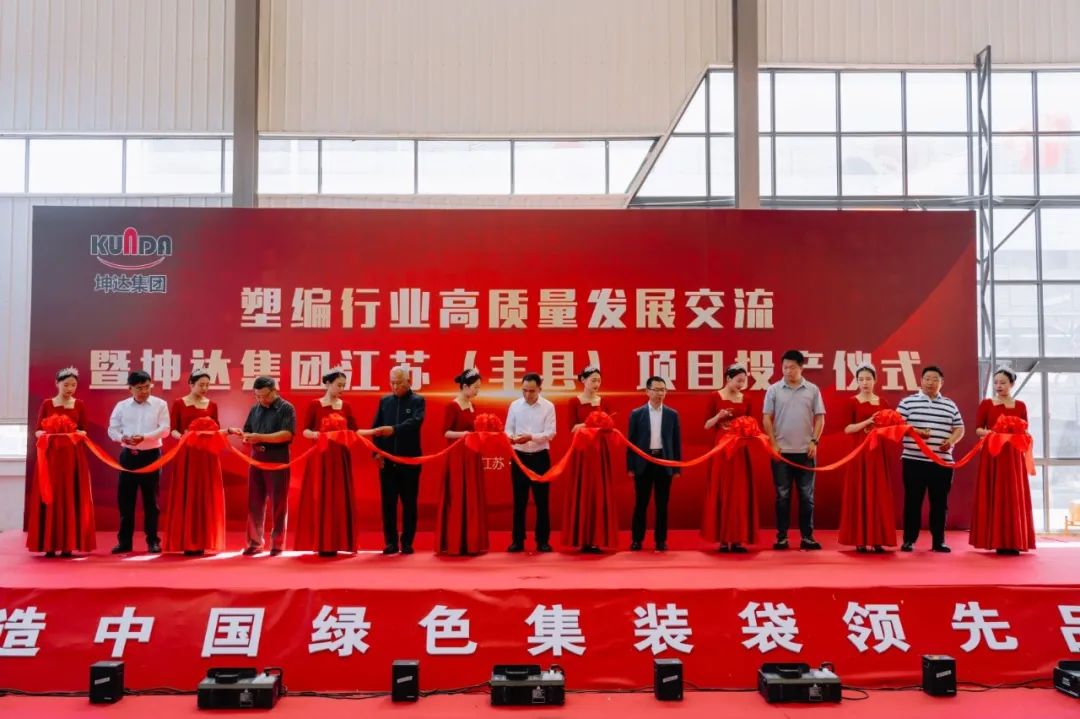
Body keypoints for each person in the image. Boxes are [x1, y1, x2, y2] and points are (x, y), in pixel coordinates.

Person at [295, 368, 365, 557]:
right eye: (339, 385)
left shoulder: (346, 406)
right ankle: (323, 543)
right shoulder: (315, 405)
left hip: (340, 457)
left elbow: (355, 431)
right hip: (321, 457)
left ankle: (340, 541)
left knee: (339, 498)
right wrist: (317, 435)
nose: (342, 389)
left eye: (343, 385)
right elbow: (305, 431)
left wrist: (375, 432)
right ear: (327, 384)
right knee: (321, 496)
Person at [27, 367, 95, 557]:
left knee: (70, 494)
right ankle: (49, 544)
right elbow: (37, 430)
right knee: (51, 494)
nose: (70, 388)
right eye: (66, 385)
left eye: (73, 385)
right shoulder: (47, 404)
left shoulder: (79, 405)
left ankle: (68, 545)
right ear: (57, 383)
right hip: (51, 458)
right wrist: (44, 434)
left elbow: (83, 429)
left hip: (73, 458)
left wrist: (78, 433)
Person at [897, 365, 965, 553]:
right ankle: (909, 540)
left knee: (940, 503)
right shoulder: (907, 402)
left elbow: (960, 428)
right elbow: (897, 426)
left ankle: (939, 542)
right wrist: (918, 432)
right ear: (921, 381)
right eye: (927, 378)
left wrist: (951, 441)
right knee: (913, 501)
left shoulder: (950, 405)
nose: (930, 382)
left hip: (942, 462)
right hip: (914, 460)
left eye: (935, 379)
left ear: (941, 383)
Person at [763, 350, 826, 551]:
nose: (787, 371)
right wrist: (773, 443)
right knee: (782, 496)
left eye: (791, 367)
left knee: (807, 497)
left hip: (806, 452)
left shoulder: (812, 390)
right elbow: (766, 417)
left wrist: (814, 441)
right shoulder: (774, 390)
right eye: (784, 367)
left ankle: (807, 537)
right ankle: (782, 537)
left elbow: (820, 417)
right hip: (781, 452)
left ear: (801, 367)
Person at [228, 376, 296, 556]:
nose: (261, 399)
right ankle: (254, 542)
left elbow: (287, 434)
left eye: (264, 396)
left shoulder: (286, 408)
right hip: (256, 458)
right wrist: (246, 437)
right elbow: (248, 430)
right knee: (255, 502)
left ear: (274, 391)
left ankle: (278, 544)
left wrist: (260, 437)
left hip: (277, 458)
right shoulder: (255, 409)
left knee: (278, 503)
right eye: (257, 396)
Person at [970, 368, 1035, 555]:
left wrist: (1021, 435)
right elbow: (978, 429)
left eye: (1003, 382)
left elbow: (1025, 430)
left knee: (1013, 495)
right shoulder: (986, 404)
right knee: (995, 492)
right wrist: (994, 433)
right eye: (996, 382)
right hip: (993, 454)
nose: (999, 386)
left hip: (1014, 457)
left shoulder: (1020, 405)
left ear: (1012, 384)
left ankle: (1014, 540)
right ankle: (996, 540)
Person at [162, 369, 225, 555]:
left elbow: (216, 430)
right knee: (187, 493)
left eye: (207, 385)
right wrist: (184, 437)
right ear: (191, 384)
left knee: (205, 494)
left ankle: (204, 540)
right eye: (201, 385)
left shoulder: (212, 405)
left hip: (207, 456)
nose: (205, 388)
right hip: (187, 455)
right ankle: (187, 541)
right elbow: (173, 429)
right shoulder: (179, 403)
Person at [107, 370, 170, 554]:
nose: (144, 391)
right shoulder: (121, 406)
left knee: (151, 502)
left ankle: (153, 541)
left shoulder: (160, 404)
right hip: (128, 457)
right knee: (126, 502)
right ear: (130, 389)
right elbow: (112, 429)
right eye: (139, 388)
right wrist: (122, 438)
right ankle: (124, 542)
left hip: (151, 456)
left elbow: (165, 429)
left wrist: (144, 437)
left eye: (147, 387)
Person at [701, 363, 762, 553]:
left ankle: (738, 539)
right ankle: (722, 539)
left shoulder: (747, 399)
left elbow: (753, 424)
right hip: (721, 449)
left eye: (744, 381)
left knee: (739, 492)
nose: (741, 384)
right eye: (738, 381)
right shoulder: (714, 396)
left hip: (740, 450)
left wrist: (747, 429)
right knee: (722, 489)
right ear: (728, 379)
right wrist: (718, 417)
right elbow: (706, 425)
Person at [837, 363, 897, 553]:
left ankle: (878, 539)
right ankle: (860, 539)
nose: (865, 382)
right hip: (859, 453)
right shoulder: (852, 402)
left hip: (878, 454)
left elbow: (890, 428)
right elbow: (848, 429)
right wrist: (868, 422)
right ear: (856, 381)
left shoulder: (882, 402)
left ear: (875, 380)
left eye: (868, 379)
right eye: (861, 379)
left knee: (878, 493)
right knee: (860, 492)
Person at [562, 366, 618, 553]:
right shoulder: (574, 401)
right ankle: (582, 538)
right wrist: (590, 423)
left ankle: (597, 539)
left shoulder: (604, 402)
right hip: (582, 454)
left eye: (599, 380)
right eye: (593, 380)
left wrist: (604, 425)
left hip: (600, 453)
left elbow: (610, 428)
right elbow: (572, 428)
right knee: (583, 491)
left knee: (598, 492)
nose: (596, 384)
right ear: (583, 380)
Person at [372, 366, 426, 555]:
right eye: (392, 382)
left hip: (409, 462)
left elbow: (415, 423)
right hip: (387, 463)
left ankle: (408, 542)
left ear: (408, 382)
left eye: (399, 383)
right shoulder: (385, 401)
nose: (395, 386)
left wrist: (394, 429)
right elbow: (376, 429)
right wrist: (376, 453)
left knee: (409, 504)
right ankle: (391, 542)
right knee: (388, 504)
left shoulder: (418, 401)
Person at [436, 368, 489, 555]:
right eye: (475, 387)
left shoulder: (472, 405)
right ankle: (456, 542)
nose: (477, 391)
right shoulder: (453, 406)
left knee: (472, 496)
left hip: (472, 455)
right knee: (458, 496)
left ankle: (471, 542)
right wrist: (464, 434)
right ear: (465, 386)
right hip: (458, 456)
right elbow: (446, 432)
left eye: (479, 388)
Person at [626, 376, 681, 552]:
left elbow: (676, 442)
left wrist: (676, 467)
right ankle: (637, 540)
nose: (660, 393)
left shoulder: (672, 414)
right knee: (640, 504)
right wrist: (631, 466)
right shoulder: (637, 414)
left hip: (664, 463)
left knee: (662, 505)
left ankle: (660, 540)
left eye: (663, 390)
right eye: (656, 390)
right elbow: (631, 442)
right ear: (647, 391)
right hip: (643, 463)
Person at [504, 372, 557, 553]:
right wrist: (511, 437)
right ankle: (517, 540)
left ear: (540, 389)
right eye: (524, 390)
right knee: (519, 502)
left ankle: (542, 541)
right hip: (519, 457)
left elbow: (550, 433)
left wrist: (531, 437)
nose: (527, 394)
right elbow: (507, 429)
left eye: (532, 391)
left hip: (540, 457)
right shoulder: (515, 406)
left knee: (542, 502)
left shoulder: (548, 406)